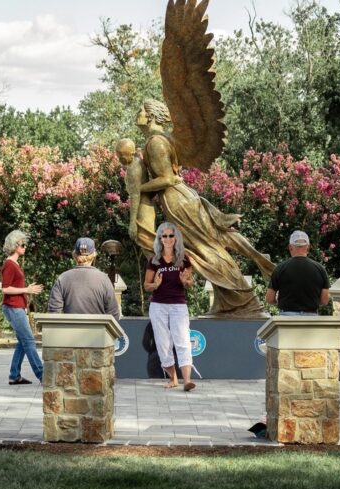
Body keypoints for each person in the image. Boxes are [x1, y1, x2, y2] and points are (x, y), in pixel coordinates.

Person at [136, 99, 275, 317]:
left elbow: (167, 179)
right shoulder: (162, 139)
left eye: (142, 110)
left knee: (206, 248)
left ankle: (246, 302)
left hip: (177, 201)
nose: (139, 113)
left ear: (152, 116)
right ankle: (228, 303)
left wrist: (139, 189)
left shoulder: (155, 142)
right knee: (208, 246)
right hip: (182, 198)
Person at [144, 222, 196, 391]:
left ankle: (187, 380)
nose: (167, 239)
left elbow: (190, 283)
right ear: (160, 238)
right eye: (164, 236)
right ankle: (173, 378)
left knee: (183, 341)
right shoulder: (154, 261)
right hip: (158, 305)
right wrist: (156, 285)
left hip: (178, 305)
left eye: (170, 236)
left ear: (176, 238)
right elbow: (146, 285)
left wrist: (184, 281)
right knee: (163, 343)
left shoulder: (184, 259)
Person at [0, 230, 43, 385]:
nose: (25, 247)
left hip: (17, 307)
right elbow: (5, 289)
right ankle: (42, 375)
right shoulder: (9, 264)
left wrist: (27, 290)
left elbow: (14, 286)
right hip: (12, 307)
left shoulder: (15, 263)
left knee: (22, 342)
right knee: (29, 341)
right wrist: (26, 290)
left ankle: (14, 375)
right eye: (22, 244)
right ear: (15, 245)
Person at [47, 237, 120, 319]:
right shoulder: (104, 279)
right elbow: (114, 314)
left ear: (74, 255)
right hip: (98, 331)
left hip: (70, 330)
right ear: (94, 255)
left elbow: (53, 313)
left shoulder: (63, 278)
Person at [265, 230, 330, 315]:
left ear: (290, 247)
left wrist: (279, 302)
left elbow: (269, 299)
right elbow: (324, 301)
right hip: (311, 319)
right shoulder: (320, 269)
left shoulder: (280, 269)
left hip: (286, 318)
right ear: (308, 247)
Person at [116, 138, 156, 256]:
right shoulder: (135, 161)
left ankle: (161, 271)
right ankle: (158, 270)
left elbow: (135, 195)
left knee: (147, 244)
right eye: (118, 157)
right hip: (145, 204)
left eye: (122, 157)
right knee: (147, 244)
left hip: (142, 207)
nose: (120, 160)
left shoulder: (134, 169)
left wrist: (132, 223)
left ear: (131, 154)